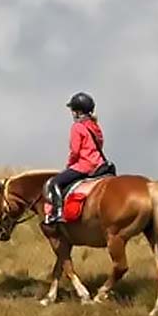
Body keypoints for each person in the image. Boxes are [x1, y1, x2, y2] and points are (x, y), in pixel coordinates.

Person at [43, 92, 110, 225]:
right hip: (99, 165)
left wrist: (69, 165)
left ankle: (58, 213)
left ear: (78, 111)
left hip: (84, 165)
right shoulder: (95, 126)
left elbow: (75, 151)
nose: (72, 113)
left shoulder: (77, 127)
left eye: (73, 110)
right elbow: (100, 145)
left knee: (54, 183)